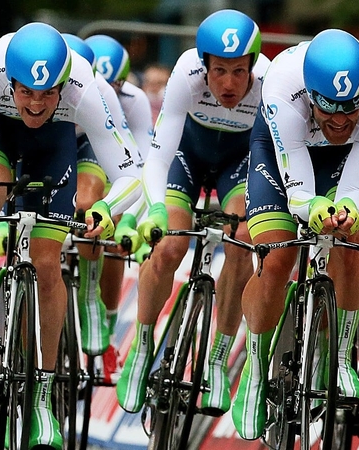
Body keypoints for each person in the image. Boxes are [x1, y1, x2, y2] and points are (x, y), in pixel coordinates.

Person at [0, 22, 142, 449]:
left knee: (48, 262)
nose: (35, 102)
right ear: (10, 81)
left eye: (48, 93)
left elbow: (130, 174)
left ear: (64, 84)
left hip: (54, 144)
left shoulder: (86, 86)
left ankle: (44, 398)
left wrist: (106, 208)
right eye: (26, 91)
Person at [230, 28, 359, 440]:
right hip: (282, 150)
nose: (339, 120)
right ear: (310, 94)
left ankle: (338, 358)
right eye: (329, 108)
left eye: (349, 109)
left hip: (343, 161)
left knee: (350, 238)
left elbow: (356, 186)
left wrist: (345, 209)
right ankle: (253, 367)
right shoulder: (283, 86)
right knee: (276, 258)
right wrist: (313, 207)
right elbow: (299, 192)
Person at [115, 9, 270, 417]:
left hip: (239, 164)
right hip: (186, 158)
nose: (229, 83)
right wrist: (155, 210)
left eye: (240, 72)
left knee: (242, 244)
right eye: (219, 70)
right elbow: (159, 152)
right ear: (204, 65)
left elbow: (275, 157)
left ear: (253, 65)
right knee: (169, 249)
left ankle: (217, 358)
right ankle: (142, 346)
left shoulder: (269, 82)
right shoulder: (185, 73)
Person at [84, 33, 154, 382]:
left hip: (116, 169)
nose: (108, 91)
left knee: (110, 236)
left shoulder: (134, 100)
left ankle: (106, 330)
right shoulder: (77, 91)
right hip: (77, 159)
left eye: (116, 85)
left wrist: (127, 217)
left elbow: (142, 164)